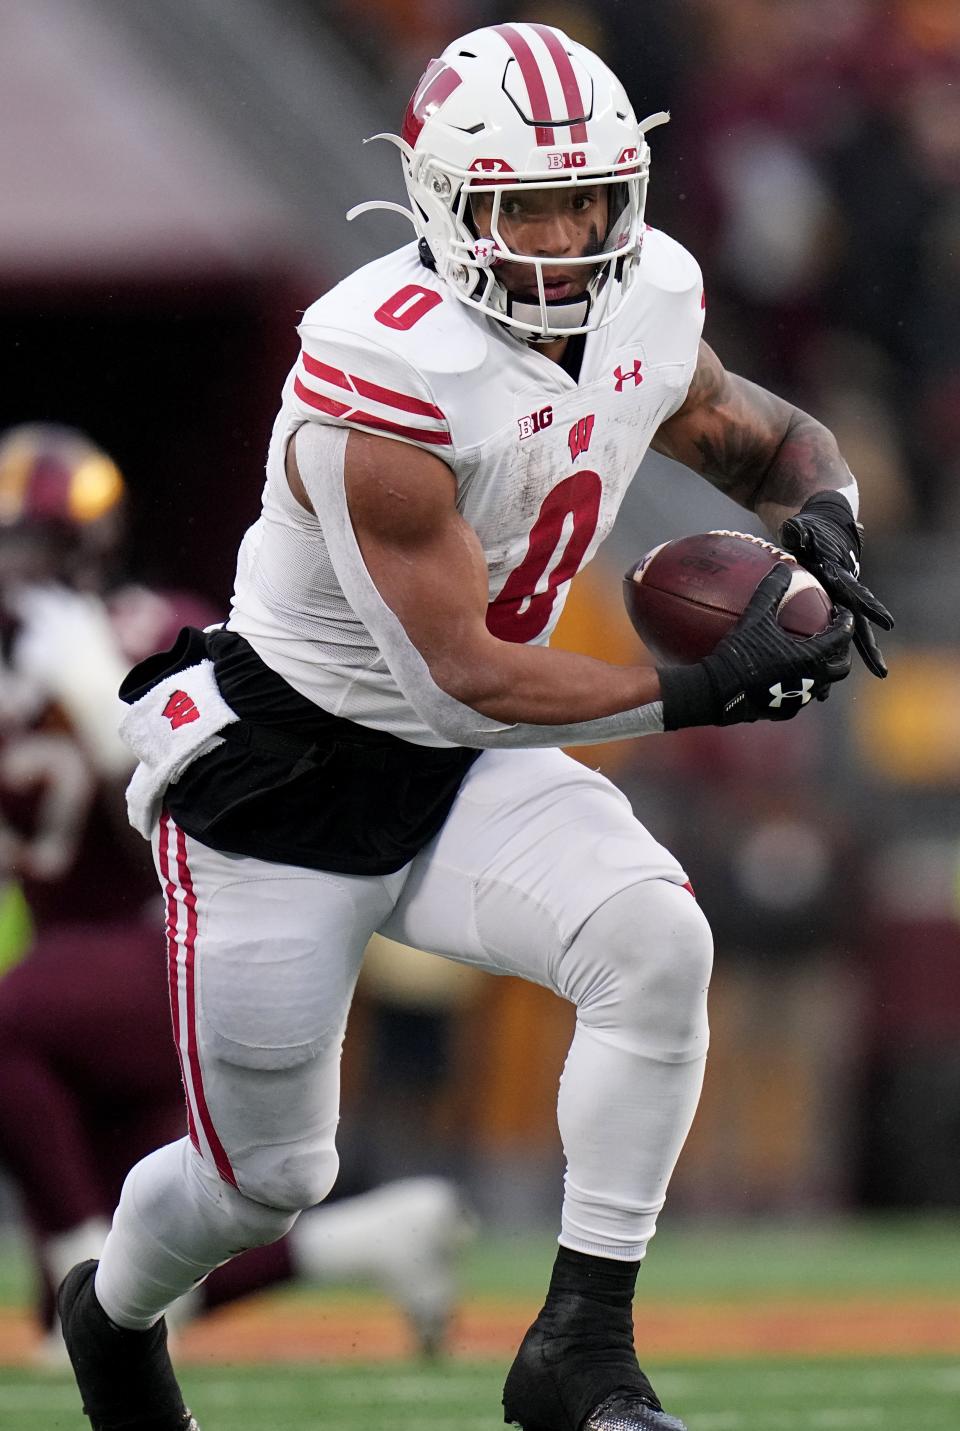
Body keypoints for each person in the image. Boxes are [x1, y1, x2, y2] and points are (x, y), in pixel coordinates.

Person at [57, 23, 892, 1431]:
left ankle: (582, 1346)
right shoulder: (378, 375)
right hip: (290, 775)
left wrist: (827, 517)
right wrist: (697, 687)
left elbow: (756, 435)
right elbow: (465, 673)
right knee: (265, 1181)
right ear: (444, 199)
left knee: (654, 937)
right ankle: (108, 1309)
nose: (570, 237)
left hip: (452, 773)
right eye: (527, 204)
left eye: (590, 198)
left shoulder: (646, 297)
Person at [0, 423, 473, 1366]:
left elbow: (212, 783)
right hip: (84, 980)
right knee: (130, 1272)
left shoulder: (149, 628)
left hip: (172, 932)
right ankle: (381, 1236)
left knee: (9, 1040)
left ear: (72, 544)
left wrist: (102, 696)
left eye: (20, 542)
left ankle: (76, 1259)